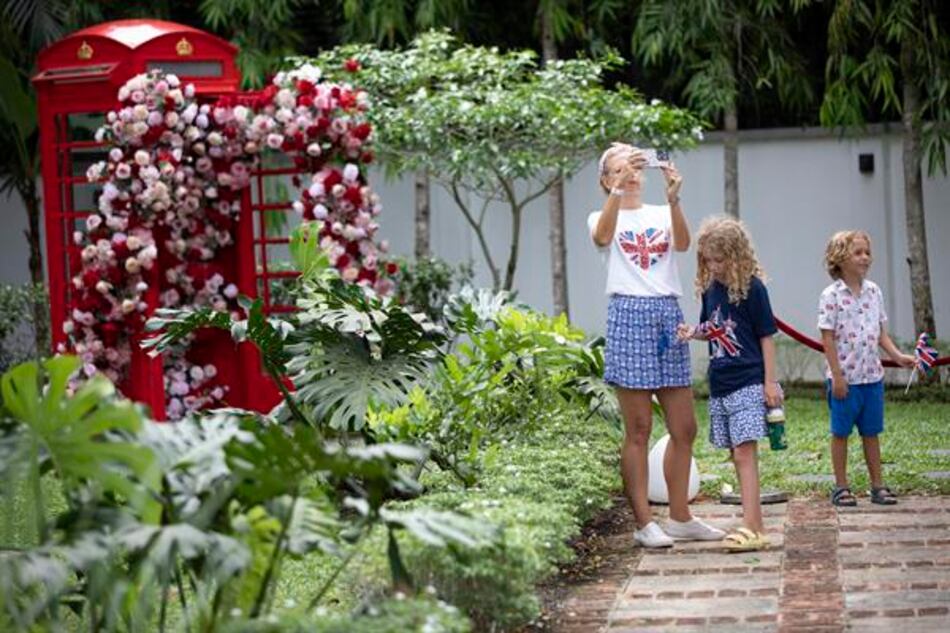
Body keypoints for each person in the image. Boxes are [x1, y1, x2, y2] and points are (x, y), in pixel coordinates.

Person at [587, 143, 724, 548]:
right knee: (640, 428)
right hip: (628, 314)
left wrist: (674, 199)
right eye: (620, 168)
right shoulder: (601, 214)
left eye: (635, 166)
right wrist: (616, 192)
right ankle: (644, 523)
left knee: (684, 426)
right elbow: (602, 236)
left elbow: (682, 244)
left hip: (668, 311)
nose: (631, 173)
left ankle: (680, 516)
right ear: (605, 178)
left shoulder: (662, 213)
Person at [677, 216, 779, 552]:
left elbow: (767, 337)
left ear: (736, 256)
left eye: (719, 260)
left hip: (749, 379)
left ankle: (753, 526)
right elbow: (712, 328)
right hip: (721, 382)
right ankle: (754, 523)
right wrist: (693, 332)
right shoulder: (710, 290)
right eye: (707, 260)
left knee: (744, 453)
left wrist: (770, 382)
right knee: (736, 456)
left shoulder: (754, 289)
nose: (713, 266)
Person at [818, 230, 915, 507]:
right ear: (840, 258)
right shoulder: (831, 296)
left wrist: (898, 356)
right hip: (844, 380)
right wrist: (836, 376)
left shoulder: (875, 292)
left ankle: (878, 485)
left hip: (872, 377)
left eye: (867, 252)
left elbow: (880, 334)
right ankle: (841, 487)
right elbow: (827, 338)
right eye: (857, 252)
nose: (865, 258)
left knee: (871, 432)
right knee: (841, 433)